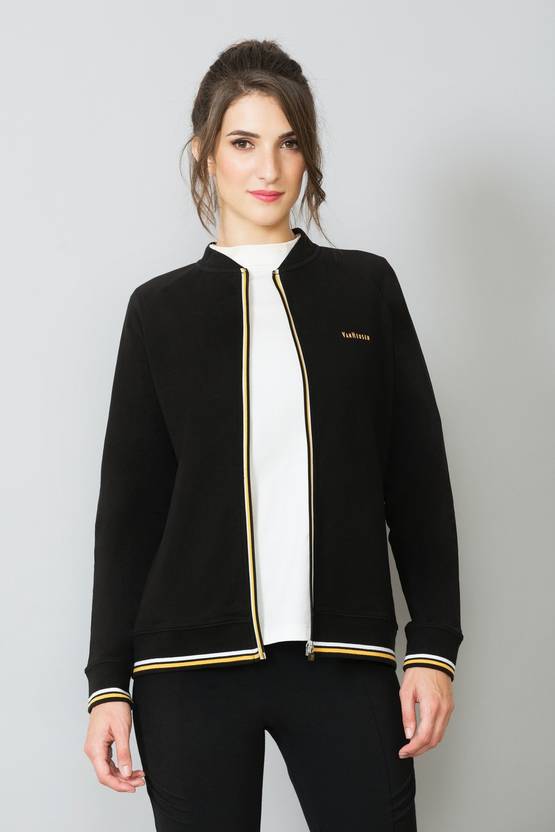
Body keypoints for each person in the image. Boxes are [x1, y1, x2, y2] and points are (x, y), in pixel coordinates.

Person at [83, 38, 463, 832]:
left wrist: (432, 648)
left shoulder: (365, 289)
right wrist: (107, 684)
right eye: (243, 142)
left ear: (307, 154)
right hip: (187, 666)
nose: (268, 167)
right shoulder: (159, 312)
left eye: (289, 143)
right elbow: (129, 513)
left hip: (343, 657)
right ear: (205, 152)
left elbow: (416, 482)